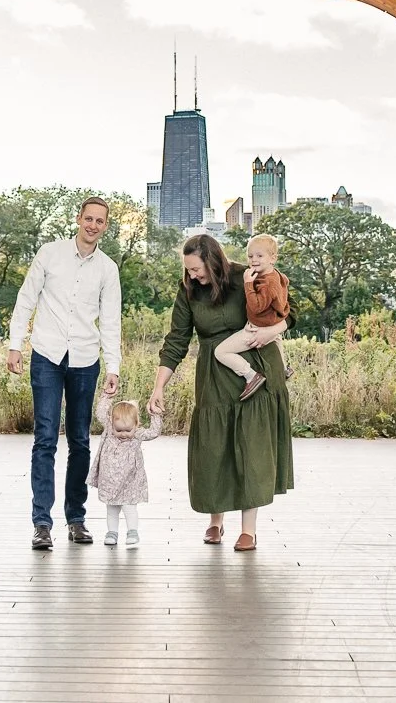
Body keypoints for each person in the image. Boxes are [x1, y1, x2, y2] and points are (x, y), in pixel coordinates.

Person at [150, 233, 294, 553]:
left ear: (213, 261)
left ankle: (248, 531)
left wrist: (271, 331)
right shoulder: (189, 289)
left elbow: (288, 311)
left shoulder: (247, 275)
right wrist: (159, 387)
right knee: (214, 448)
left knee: (251, 450)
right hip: (214, 375)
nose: (192, 275)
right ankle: (215, 520)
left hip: (255, 368)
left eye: (196, 269)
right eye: (188, 270)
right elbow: (176, 340)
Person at [6, 196, 121, 551]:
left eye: (99, 221)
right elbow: (26, 299)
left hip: (85, 359)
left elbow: (111, 321)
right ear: (78, 218)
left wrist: (113, 366)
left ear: (105, 226)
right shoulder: (50, 253)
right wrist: (15, 344)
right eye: (88, 218)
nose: (93, 225)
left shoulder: (107, 269)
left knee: (80, 441)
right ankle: (42, 523)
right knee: (45, 438)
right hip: (47, 355)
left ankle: (76, 519)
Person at [213, 234, 289, 401]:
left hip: (255, 329)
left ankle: (250, 375)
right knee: (276, 338)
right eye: (250, 256)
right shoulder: (276, 275)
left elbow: (256, 306)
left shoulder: (267, 283)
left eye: (259, 256)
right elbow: (285, 282)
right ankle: (284, 369)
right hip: (272, 324)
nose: (254, 260)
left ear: (273, 258)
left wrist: (248, 284)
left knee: (221, 352)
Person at [87, 391, 162, 546]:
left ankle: (132, 532)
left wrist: (156, 415)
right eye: (119, 430)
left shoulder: (137, 435)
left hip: (130, 481)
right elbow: (100, 413)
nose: (123, 434)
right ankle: (112, 533)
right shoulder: (109, 430)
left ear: (136, 425)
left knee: (129, 507)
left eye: (128, 430)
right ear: (112, 424)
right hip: (110, 481)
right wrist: (106, 397)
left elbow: (154, 432)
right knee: (112, 509)